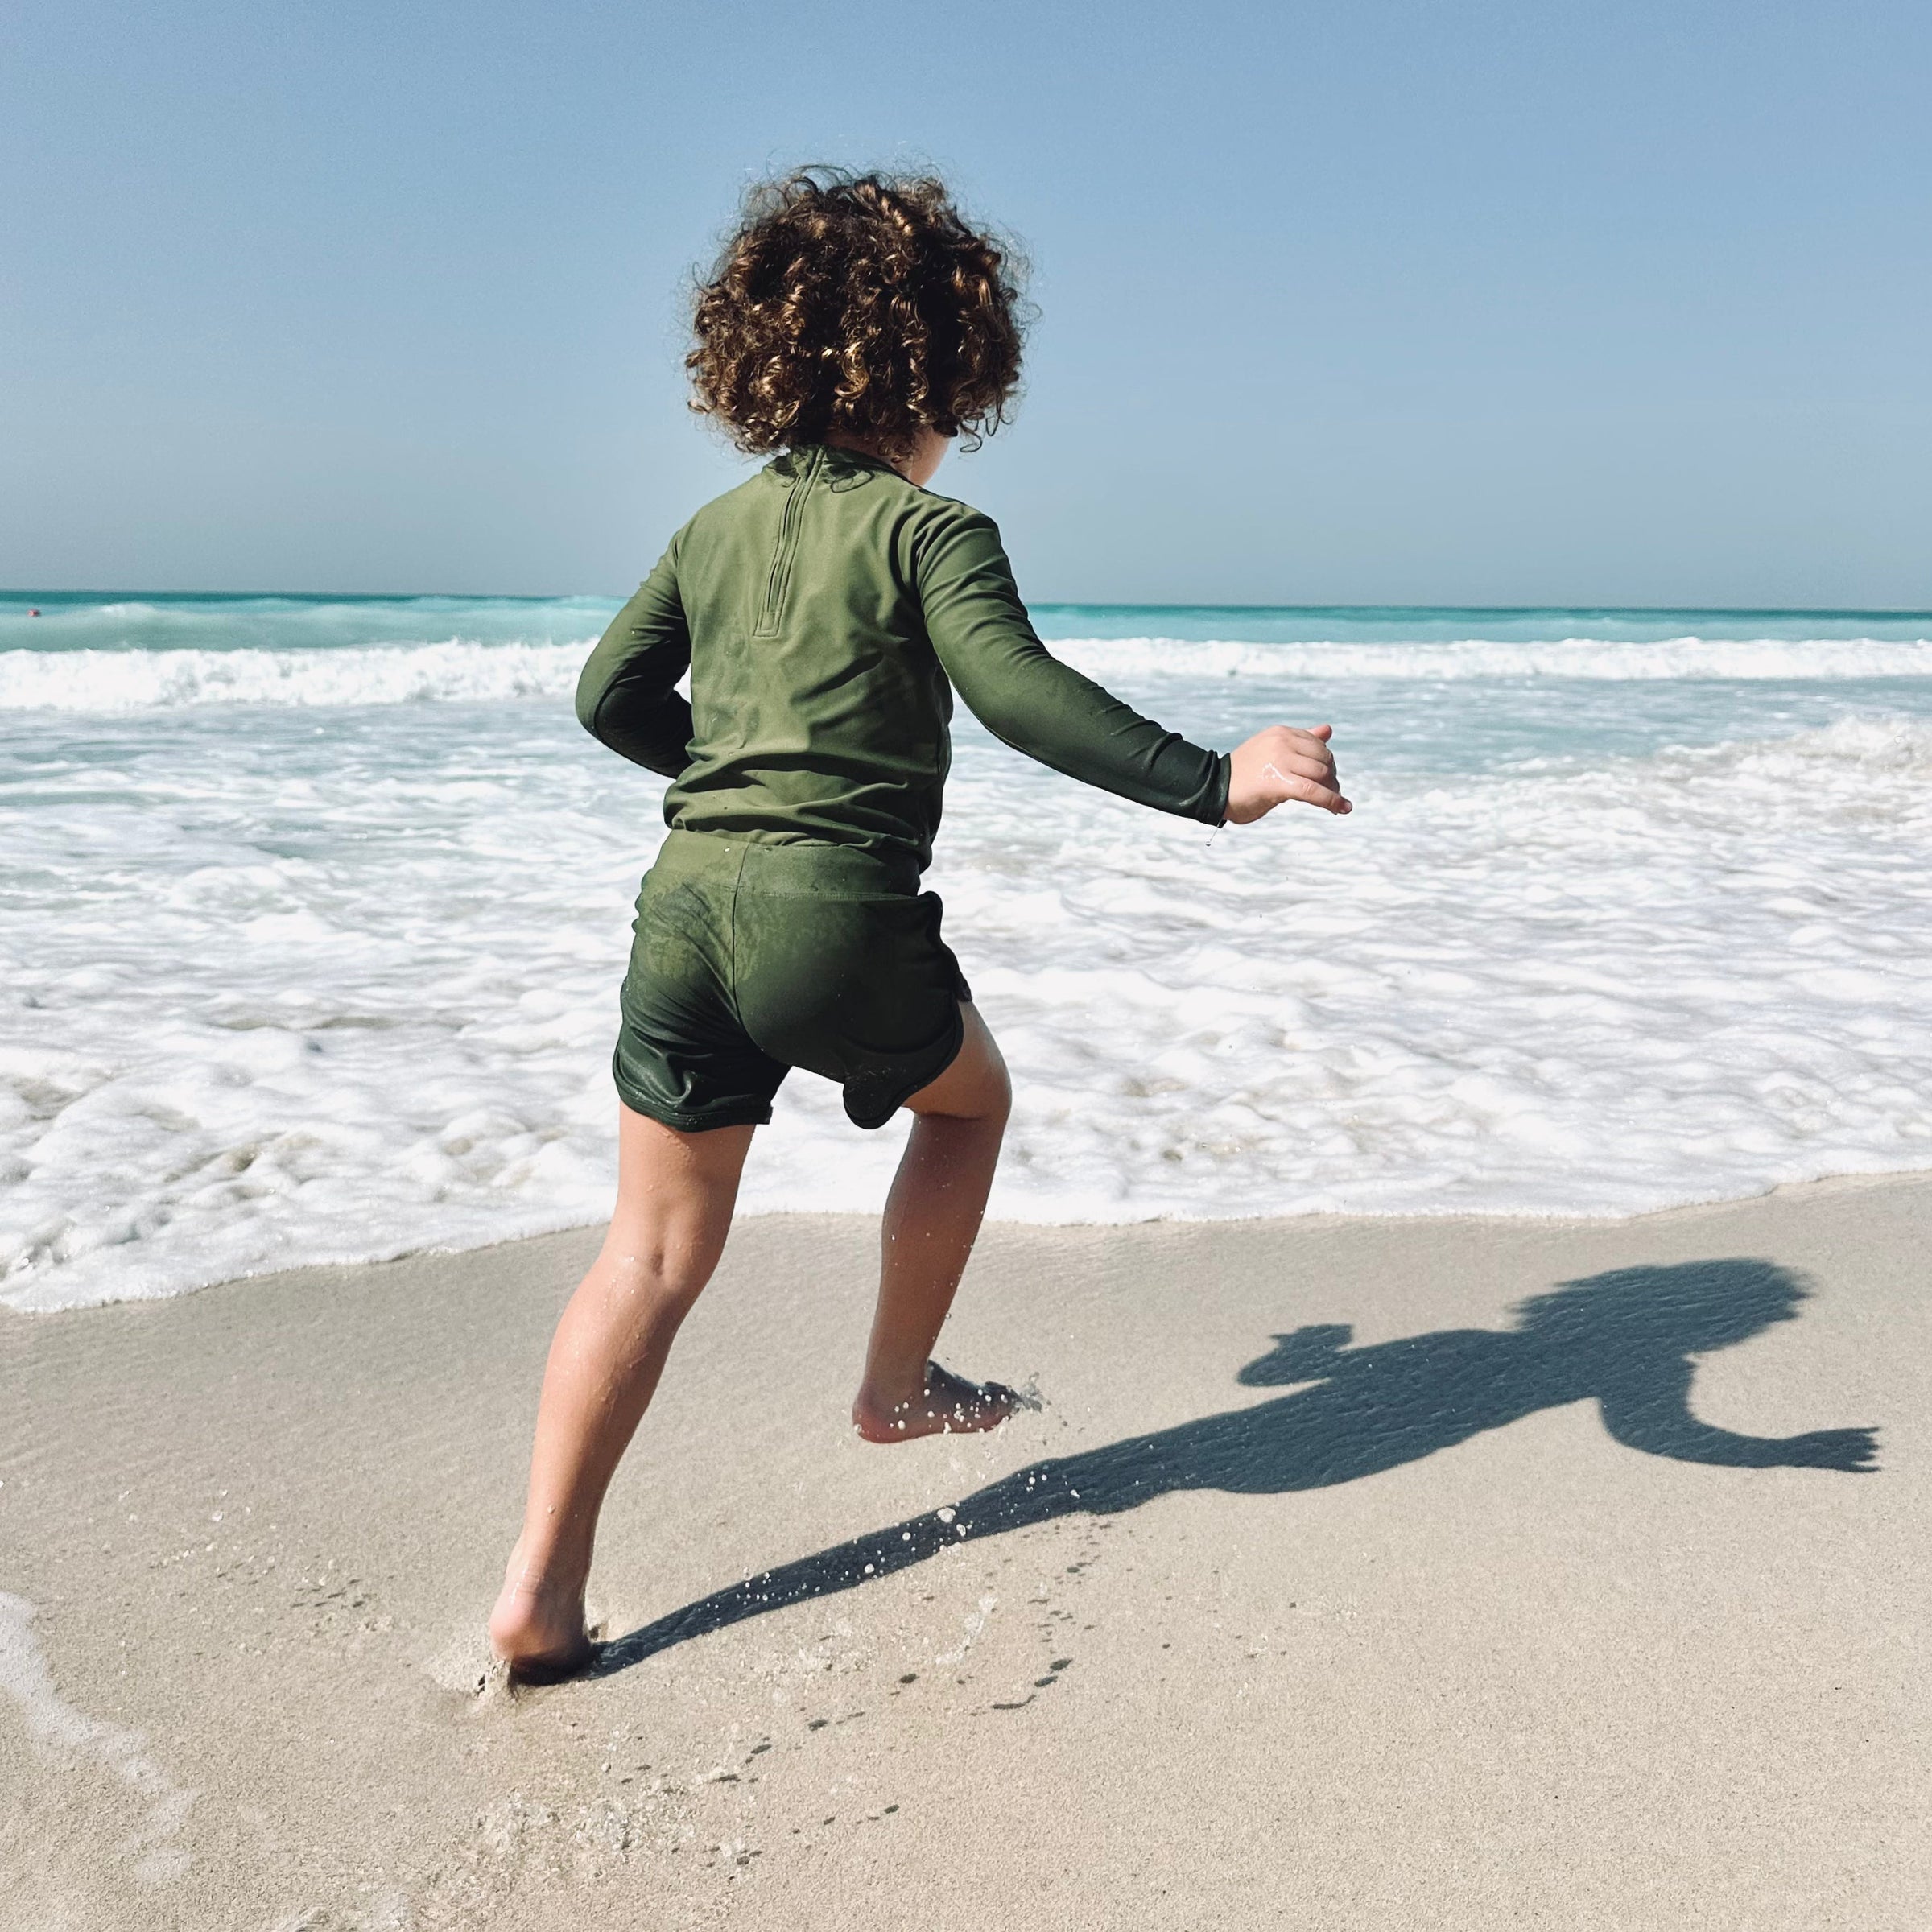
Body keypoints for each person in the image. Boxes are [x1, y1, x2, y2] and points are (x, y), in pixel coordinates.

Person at [489, 167, 1351, 1680]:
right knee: (973, 1102)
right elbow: (1018, 696)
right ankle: (896, 1387)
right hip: (838, 920)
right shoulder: (929, 532)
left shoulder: (710, 525)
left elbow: (603, 697)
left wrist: (721, 769)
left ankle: (540, 1591)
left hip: (682, 919)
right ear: (949, 368)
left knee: (647, 1255)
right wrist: (1216, 783)